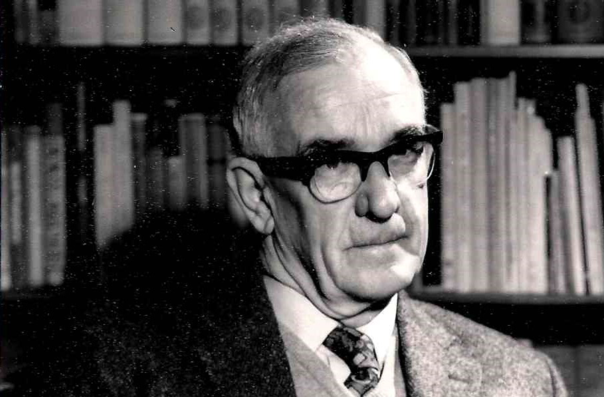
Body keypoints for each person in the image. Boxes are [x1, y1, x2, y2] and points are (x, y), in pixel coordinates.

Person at [12, 19, 566, 397]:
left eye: (403, 152)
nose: (382, 200)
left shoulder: (520, 378)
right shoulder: (114, 374)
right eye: (331, 162)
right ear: (256, 196)